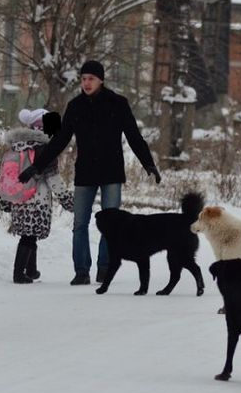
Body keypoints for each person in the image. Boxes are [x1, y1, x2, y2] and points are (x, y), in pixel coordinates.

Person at [18, 60, 161, 286]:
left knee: (112, 224)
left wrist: (148, 163)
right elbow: (60, 140)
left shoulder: (118, 103)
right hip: (85, 172)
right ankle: (82, 271)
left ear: (101, 80)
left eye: (91, 79)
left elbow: (134, 135)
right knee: (80, 223)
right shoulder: (75, 106)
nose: (86, 83)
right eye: (83, 79)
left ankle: (104, 268)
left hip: (112, 172)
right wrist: (37, 166)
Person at [0, 108, 74, 284]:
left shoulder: (17, 146)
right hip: (37, 199)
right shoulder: (44, 149)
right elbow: (53, 178)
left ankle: (31, 270)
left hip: (19, 198)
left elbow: (6, 175)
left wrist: (4, 199)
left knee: (29, 234)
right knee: (29, 236)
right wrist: (67, 199)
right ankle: (18, 274)